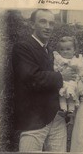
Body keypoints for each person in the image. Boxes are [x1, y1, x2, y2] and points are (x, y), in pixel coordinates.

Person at [12, 9, 76, 152]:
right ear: (32, 25)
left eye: (51, 23)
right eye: (43, 21)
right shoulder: (22, 47)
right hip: (33, 121)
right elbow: (31, 78)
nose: (48, 26)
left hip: (56, 118)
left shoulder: (50, 51)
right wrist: (61, 76)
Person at [53, 36, 83, 119]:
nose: (65, 52)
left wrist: (73, 66)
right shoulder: (59, 59)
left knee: (70, 94)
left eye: (68, 49)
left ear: (74, 51)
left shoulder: (76, 59)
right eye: (62, 50)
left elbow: (80, 68)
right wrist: (59, 69)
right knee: (61, 95)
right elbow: (55, 68)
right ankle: (63, 109)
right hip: (62, 80)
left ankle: (71, 110)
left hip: (72, 81)